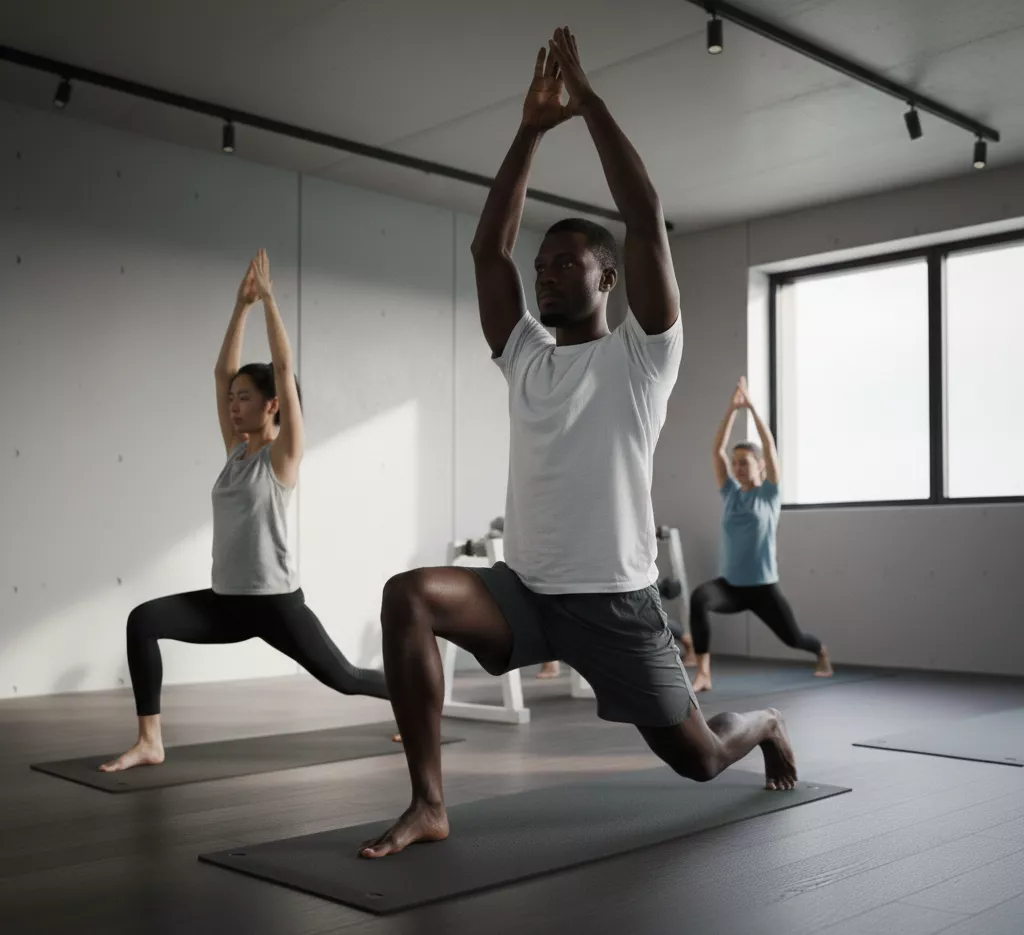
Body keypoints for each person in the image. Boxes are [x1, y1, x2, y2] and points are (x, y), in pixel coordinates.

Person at [359, 28, 798, 859]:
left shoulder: (643, 357)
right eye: (544, 267)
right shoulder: (524, 356)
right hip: (523, 591)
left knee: (701, 759)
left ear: (607, 278)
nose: (547, 273)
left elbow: (643, 219)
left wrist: (589, 105)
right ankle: (429, 802)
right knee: (407, 594)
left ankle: (767, 722)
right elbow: (490, 248)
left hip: (618, 606)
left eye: (566, 264)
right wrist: (528, 128)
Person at [100, 250, 389, 773]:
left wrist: (271, 302)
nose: (233, 405)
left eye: (244, 398)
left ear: (272, 404)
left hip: (277, 606)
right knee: (143, 621)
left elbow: (282, 367)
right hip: (226, 603)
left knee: (345, 678)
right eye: (231, 399)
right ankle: (150, 741)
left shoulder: (282, 457)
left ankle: (419, 704)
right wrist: (240, 307)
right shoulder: (236, 453)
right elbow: (220, 372)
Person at [688, 378, 832, 693]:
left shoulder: (769, 495)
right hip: (731, 588)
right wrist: (731, 410)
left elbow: (769, 446)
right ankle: (704, 673)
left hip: (763, 589)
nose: (737, 468)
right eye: (735, 463)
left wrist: (752, 408)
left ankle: (820, 651)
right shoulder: (730, 493)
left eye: (745, 462)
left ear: (761, 466)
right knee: (699, 598)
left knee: (794, 639)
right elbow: (716, 451)